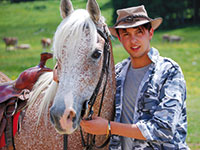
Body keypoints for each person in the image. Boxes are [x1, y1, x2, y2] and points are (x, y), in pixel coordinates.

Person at [80, 5, 189, 149]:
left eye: (139, 32)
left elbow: (163, 129)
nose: (133, 40)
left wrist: (108, 127)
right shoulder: (117, 73)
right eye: (126, 34)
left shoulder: (169, 71)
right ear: (119, 38)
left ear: (150, 33)